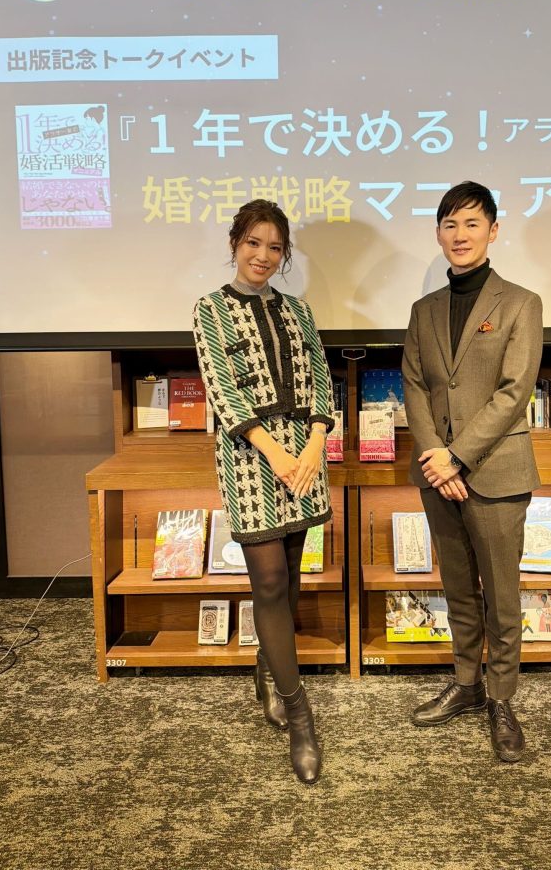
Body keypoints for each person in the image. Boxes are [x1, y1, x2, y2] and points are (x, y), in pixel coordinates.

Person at [192, 199, 334, 784]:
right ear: (235, 244)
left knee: (291, 577)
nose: (263, 255)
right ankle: (300, 716)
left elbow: (321, 379)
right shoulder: (210, 309)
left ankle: (267, 668)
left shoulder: (298, 310)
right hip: (251, 457)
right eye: (254, 243)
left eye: (275, 247)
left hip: (304, 457)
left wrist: (315, 443)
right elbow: (221, 391)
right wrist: (275, 451)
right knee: (269, 581)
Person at [402, 180, 543, 763]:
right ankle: (467, 684)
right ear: (439, 233)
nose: (460, 235)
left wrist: (457, 456)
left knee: (501, 596)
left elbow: (514, 391)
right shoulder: (424, 310)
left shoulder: (521, 303)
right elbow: (415, 385)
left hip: (496, 471)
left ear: (493, 230)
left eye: (471, 223)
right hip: (439, 474)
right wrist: (438, 457)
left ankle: (502, 700)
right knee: (458, 588)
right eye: (449, 224)